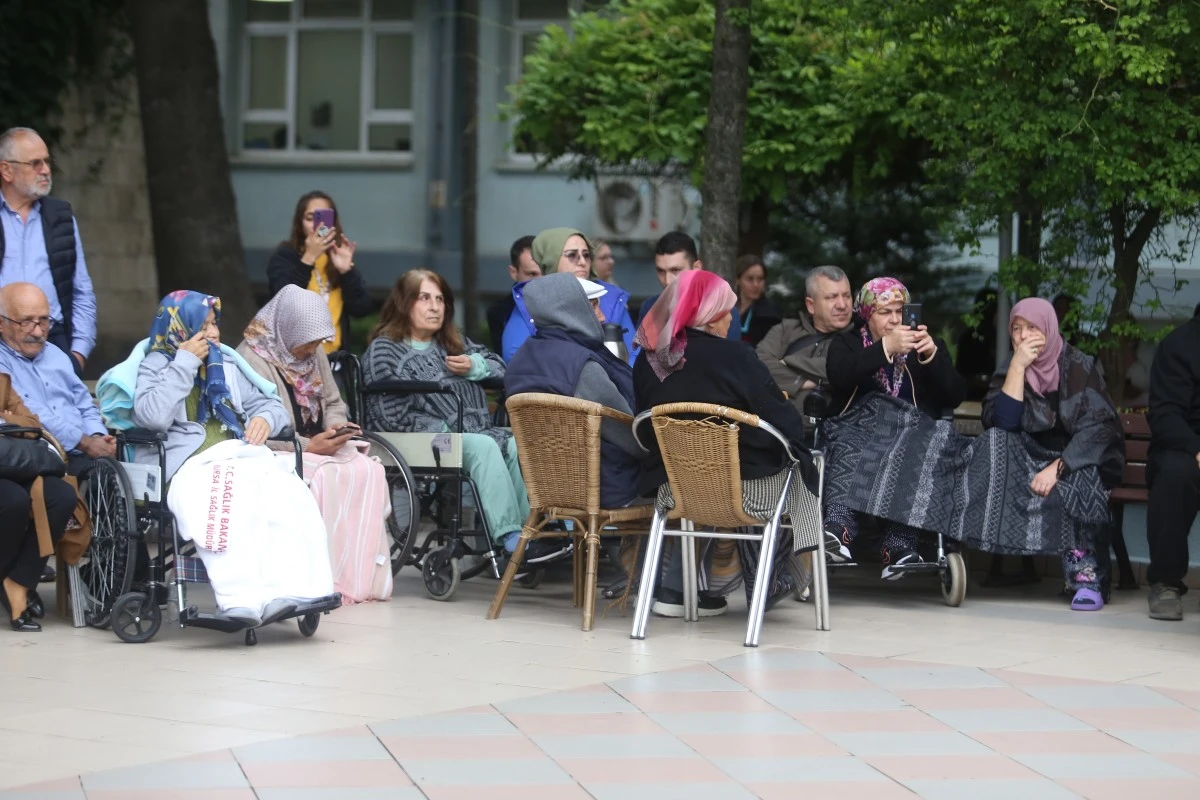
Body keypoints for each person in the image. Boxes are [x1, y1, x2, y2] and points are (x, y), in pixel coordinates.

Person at [132, 290, 335, 627]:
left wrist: (264, 420)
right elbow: (151, 417)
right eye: (205, 325)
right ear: (181, 327)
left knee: (289, 490)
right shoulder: (157, 363)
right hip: (187, 465)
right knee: (230, 497)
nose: (213, 333)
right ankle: (239, 599)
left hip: (238, 456)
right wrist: (184, 365)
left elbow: (272, 407)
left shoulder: (225, 361)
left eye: (215, 325)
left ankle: (298, 590)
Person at [633, 269, 821, 617]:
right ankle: (777, 580)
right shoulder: (737, 358)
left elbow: (644, 427)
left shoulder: (649, 362)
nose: (731, 318)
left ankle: (680, 591)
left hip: (674, 489)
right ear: (707, 315)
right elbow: (784, 419)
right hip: (742, 491)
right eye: (726, 311)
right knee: (802, 468)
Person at [363, 270, 568, 565]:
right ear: (404, 303)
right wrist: (446, 427)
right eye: (424, 298)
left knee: (515, 443)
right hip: (422, 440)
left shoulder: (453, 344)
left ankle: (534, 534)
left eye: (440, 299)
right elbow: (386, 415)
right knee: (482, 446)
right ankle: (511, 539)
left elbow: (502, 368)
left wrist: (476, 365)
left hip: (469, 435)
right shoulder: (385, 351)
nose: (435, 306)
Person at [237, 286, 392, 604]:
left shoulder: (313, 352)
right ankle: (320, 576)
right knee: (324, 477)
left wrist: (335, 426)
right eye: (309, 341)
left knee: (368, 469)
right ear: (288, 328)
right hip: (278, 450)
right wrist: (309, 446)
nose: (314, 349)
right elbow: (256, 432)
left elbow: (334, 401)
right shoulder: (251, 358)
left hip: (318, 444)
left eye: (319, 342)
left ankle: (358, 576)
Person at [975, 298, 1124, 610]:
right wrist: (1017, 368)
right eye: (1017, 329)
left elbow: (1100, 429)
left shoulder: (1081, 366)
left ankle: (1086, 580)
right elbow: (1001, 424)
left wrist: (1060, 466)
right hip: (1030, 455)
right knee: (993, 445)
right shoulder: (1011, 366)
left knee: (1082, 480)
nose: (1024, 336)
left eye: (1032, 328)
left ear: (1048, 328)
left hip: (1077, 456)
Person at [821, 277, 967, 578]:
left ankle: (899, 546)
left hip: (908, 432)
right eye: (885, 312)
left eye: (900, 311)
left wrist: (931, 358)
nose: (896, 319)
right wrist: (885, 347)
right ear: (867, 314)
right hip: (858, 427)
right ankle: (837, 531)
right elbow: (840, 376)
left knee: (919, 449)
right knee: (849, 442)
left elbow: (954, 395)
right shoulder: (846, 343)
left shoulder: (927, 346)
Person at [505, 272, 643, 508]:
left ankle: (629, 546)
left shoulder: (520, 360)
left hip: (544, 488)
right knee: (676, 481)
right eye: (594, 306)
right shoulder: (582, 364)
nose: (602, 315)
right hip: (607, 487)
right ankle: (643, 546)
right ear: (572, 310)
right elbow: (629, 437)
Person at [0, 127, 96, 378]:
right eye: (35, 163)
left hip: (53, 343)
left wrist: (77, 354)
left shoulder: (61, 217)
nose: (45, 170)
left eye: (46, 161)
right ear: (6, 170)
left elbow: (81, 291)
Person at [0, 283, 114, 470]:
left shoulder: (57, 355)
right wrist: (84, 442)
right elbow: (31, 413)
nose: (38, 332)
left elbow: (84, 404)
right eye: (26, 322)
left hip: (86, 451)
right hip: (42, 456)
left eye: (44, 321)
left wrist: (98, 437)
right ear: (1, 324)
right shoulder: (3, 362)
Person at [0, 371, 78, 632]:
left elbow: (32, 426)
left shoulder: (2, 381)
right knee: (14, 501)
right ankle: (8, 579)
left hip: (12, 464)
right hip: (8, 474)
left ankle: (19, 580)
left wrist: (6, 421)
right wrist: (9, 422)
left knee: (62, 496)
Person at [502, 228, 638, 365]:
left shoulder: (611, 298)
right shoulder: (531, 302)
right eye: (572, 255)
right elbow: (517, 361)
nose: (582, 262)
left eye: (586, 255)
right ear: (551, 260)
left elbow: (634, 354)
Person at [1145, 302, 1200, 621]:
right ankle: (1165, 582)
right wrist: (1195, 449)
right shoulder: (1180, 344)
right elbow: (1165, 414)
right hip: (1184, 446)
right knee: (1175, 474)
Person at [267, 191, 371, 354]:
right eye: (310, 218)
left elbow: (361, 308)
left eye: (323, 218)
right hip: (294, 357)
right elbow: (283, 302)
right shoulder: (286, 255)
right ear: (300, 223)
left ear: (333, 223)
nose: (318, 225)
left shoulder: (337, 255)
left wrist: (346, 272)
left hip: (334, 361)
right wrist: (309, 257)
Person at [756, 265, 853, 415]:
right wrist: (803, 382)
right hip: (775, 427)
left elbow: (844, 370)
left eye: (847, 296)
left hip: (833, 432)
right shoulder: (785, 330)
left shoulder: (858, 337)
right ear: (811, 305)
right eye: (831, 297)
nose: (842, 305)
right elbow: (758, 365)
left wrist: (788, 361)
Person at [636, 232, 741, 340]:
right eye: (661, 271)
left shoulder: (722, 311)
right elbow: (639, 354)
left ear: (696, 268)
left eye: (675, 270)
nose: (667, 281)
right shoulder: (650, 307)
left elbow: (731, 354)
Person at [487, 235, 538, 355]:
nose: (540, 280)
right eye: (532, 274)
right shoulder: (500, 313)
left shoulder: (561, 306)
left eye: (544, 273)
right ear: (514, 273)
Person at [734, 254, 782, 346]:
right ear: (738, 280)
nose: (756, 284)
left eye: (760, 279)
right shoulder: (727, 307)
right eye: (750, 279)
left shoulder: (770, 315)